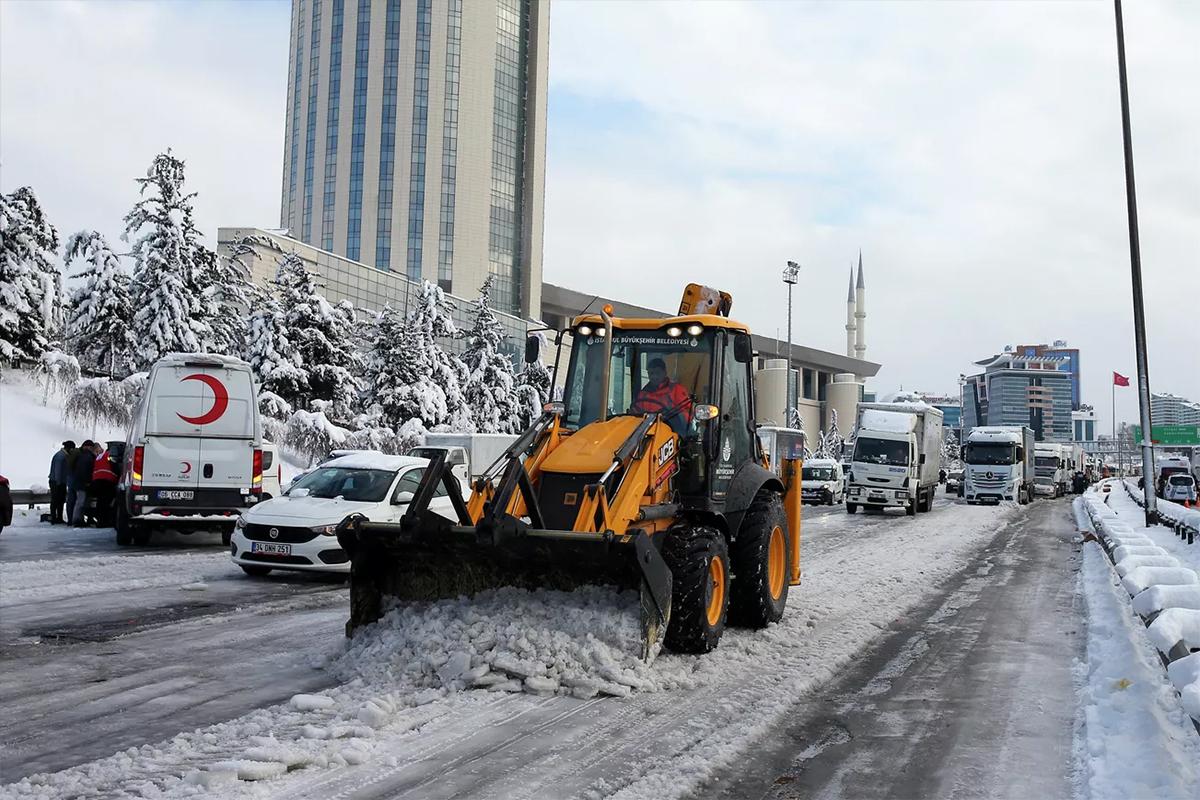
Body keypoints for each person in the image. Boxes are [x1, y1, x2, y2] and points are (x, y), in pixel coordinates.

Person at [632, 358, 692, 433]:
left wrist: (672, 417)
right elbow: (635, 413)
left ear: (665, 373)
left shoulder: (676, 390)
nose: (654, 376)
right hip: (645, 431)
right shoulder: (643, 394)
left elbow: (686, 414)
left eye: (658, 373)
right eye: (651, 373)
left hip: (670, 431)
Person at [90, 442, 118, 527]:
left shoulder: (99, 456)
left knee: (100, 501)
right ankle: (104, 521)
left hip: (96, 481)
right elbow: (115, 467)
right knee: (106, 502)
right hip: (107, 481)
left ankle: (100, 520)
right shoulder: (110, 456)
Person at [69, 439, 95, 526]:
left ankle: (79, 519)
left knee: (81, 502)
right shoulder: (87, 457)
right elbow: (84, 471)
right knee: (80, 502)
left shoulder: (82, 456)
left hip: (78, 482)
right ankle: (77, 520)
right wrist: (87, 481)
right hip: (82, 483)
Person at [48, 440, 75, 524]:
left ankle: (58, 517)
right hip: (56, 482)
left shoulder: (63, 455)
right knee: (56, 500)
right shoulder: (61, 456)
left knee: (60, 500)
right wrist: (59, 482)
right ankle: (54, 518)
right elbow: (58, 470)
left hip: (59, 481)